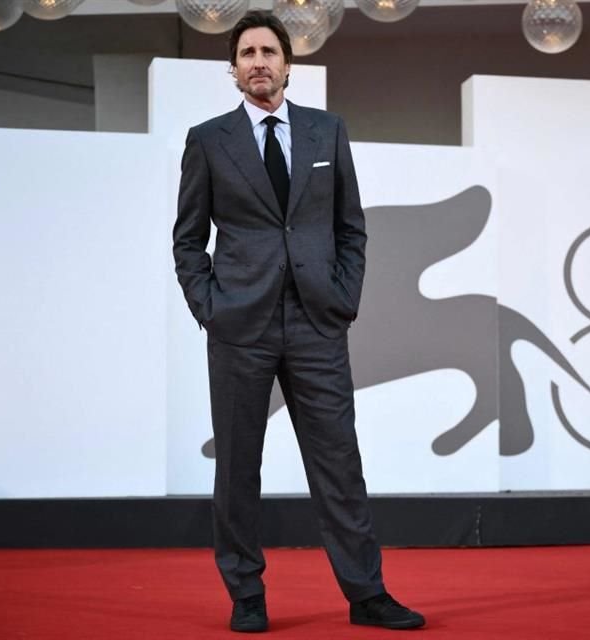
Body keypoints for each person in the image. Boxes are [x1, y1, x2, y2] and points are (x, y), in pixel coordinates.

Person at [172, 11, 425, 633]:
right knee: (237, 468)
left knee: (339, 463)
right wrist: (212, 307)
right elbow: (187, 241)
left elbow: (350, 228)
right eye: (247, 52)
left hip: (317, 323)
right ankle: (246, 596)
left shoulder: (326, 132)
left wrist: (343, 298)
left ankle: (366, 594)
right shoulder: (208, 140)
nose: (259, 60)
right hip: (241, 327)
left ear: (288, 64)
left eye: (269, 51)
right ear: (232, 70)